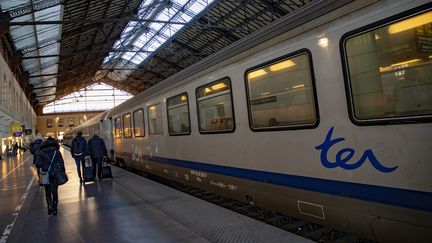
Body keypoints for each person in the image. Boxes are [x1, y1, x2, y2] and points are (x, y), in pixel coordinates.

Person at [35, 137, 66, 215]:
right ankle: (55, 208)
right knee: (54, 191)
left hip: (45, 173)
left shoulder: (41, 152)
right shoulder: (56, 151)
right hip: (55, 173)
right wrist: (63, 172)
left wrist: (44, 165)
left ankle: (49, 207)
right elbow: (61, 163)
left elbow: (38, 164)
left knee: (47, 191)